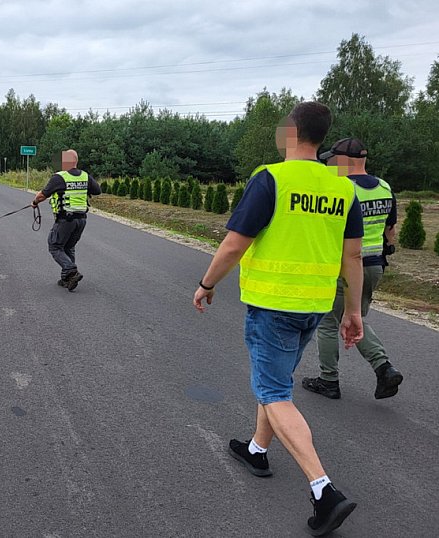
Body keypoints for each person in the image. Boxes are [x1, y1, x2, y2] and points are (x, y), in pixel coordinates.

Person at [192, 102, 365, 536]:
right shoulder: (343, 188)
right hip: (314, 306)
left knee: (273, 391)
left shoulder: (270, 178)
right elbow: (353, 257)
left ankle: (324, 491)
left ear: (290, 131)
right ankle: (257, 449)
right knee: (276, 381)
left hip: (273, 306)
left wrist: (207, 283)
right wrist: (352, 311)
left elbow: (235, 243)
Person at [303, 138, 403, 400]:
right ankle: (382, 368)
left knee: (328, 321)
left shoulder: (341, 188)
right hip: (374, 267)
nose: (330, 164)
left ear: (344, 160)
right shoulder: (384, 187)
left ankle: (333, 379)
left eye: (333, 159)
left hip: (344, 266)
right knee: (354, 316)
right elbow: (390, 230)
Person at [31, 149, 101, 291]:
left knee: (55, 246)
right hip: (81, 220)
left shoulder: (59, 177)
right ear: (76, 161)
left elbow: (43, 195)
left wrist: (34, 202)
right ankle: (67, 279)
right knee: (69, 247)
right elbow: (97, 190)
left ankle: (71, 270)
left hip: (66, 219)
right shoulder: (85, 176)